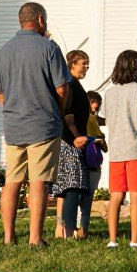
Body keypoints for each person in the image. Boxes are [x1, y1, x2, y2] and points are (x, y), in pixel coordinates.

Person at [0, 2, 70, 248]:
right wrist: (58, 110)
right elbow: (62, 88)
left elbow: (0, 95)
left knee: (12, 181)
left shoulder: (4, 51)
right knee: (38, 182)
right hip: (43, 124)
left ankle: (8, 237)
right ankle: (35, 238)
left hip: (14, 125)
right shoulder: (49, 48)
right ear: (40, 20)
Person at [101, 50, 137, 248]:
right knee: (136, 194)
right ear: (136, 67)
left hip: (116, 150)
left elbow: (106, 119)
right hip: (136, 149)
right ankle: (134, 240)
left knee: (116, 195)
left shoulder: (109, 92)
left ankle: (113, 240)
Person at [52, 50, 92, 239]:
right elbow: (67, 114)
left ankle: (62, 229)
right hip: (69, 142)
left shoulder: (76, 85)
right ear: (72, 64)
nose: (86, 67)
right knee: (72, 187)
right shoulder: (69, 85)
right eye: (83, 63)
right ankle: (67, 231)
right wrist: (75, 136)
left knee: (67, 187)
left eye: (87, 63)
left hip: (74, 142)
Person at [77, 91, 107, 238]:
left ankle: (71, 228)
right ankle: (84, 229)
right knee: (87, 198)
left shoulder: (80, 117)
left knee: (77, 197)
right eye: (95, 102)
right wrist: (99, 140)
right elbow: (103, 144)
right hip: (91, 163)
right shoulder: (90, 119)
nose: (97, 106)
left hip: (81, 161)